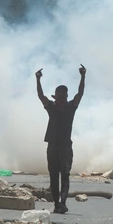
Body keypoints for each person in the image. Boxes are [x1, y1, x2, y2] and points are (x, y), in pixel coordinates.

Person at [36, 65, 86, 214]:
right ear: (56, 97)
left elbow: (80, 93)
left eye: (62, 97)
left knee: (65, 175)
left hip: (65, 147)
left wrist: (83, 77)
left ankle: (62, 203)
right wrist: (37, 80)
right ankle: (57, 204)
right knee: (53, 176)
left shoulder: (71, 107)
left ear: (65, 97)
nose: (60, 99)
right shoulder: (51, 107)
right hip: (53, 146)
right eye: (58, 97)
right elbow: (41, 96)